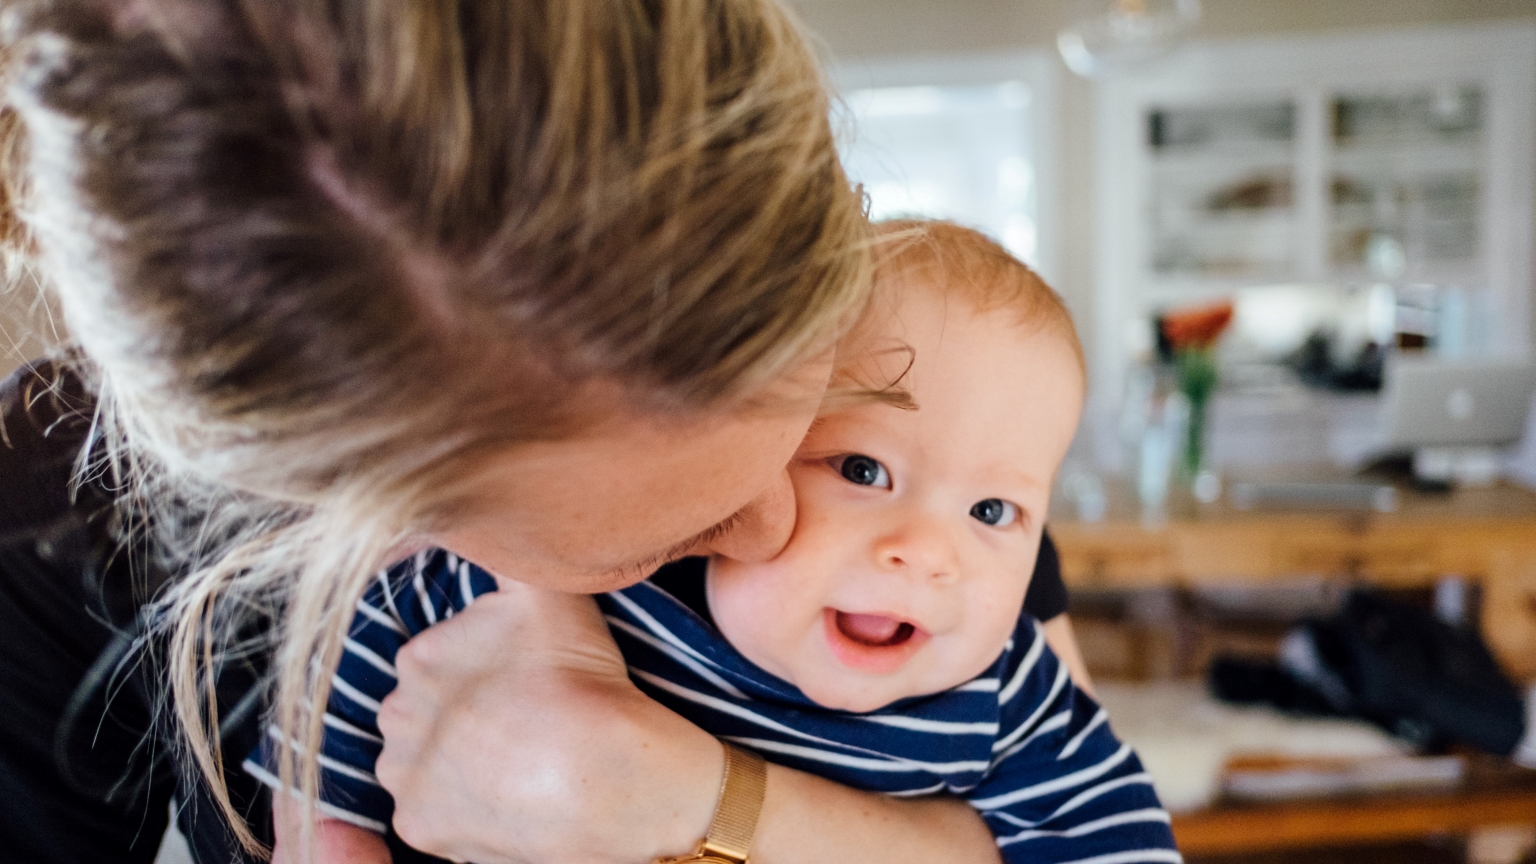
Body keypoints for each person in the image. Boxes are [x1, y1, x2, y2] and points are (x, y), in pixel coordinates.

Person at [0, 3, 1094, 862]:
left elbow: (1082, 821)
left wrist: (703, 803)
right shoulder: (40, 533)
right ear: (362, 511)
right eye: (677, 530)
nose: (779, 522)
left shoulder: (923, 445)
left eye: (814, 428)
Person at [259, 222, 1175, 864]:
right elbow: (342, 705)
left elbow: (1112, 839)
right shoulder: (614, 571)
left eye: (992, 514)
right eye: (861, 471)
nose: (928, 551)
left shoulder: (1003, 688)